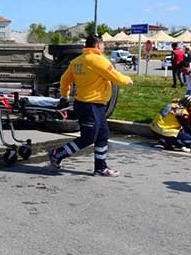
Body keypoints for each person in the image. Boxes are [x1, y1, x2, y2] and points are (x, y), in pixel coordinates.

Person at [47, 35, 134, 177]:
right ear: (98, 45)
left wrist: (65, 94)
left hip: (89, 105)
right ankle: (57, 154)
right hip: (91, 106)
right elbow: (115, 76)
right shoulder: (98, 60)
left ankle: (100, 168)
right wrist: (128, 81)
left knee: (103, 135)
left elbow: (64, 79)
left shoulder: (76, 61)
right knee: (88, 137)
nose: (104, 47)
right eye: (103, 45)